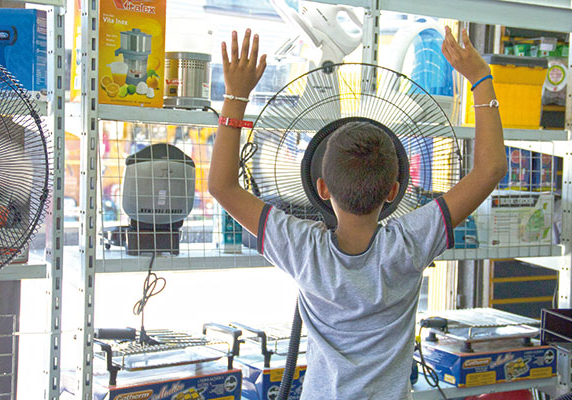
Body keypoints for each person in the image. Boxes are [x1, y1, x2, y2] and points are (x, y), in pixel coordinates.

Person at [209, 27, 506, 400]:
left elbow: (222, 187)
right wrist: (480, 78)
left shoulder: (303, 248)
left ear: (320, 188)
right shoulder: (411, 242)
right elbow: (490, 169)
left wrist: (236, 96)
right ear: (394, 192)